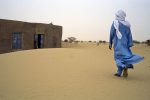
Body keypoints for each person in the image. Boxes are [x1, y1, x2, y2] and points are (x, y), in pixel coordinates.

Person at [109, 10, 144, 77]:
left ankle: (121, 70)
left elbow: (111, 33)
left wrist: (110, 43)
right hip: (125, 44)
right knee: (126, 57)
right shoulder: (127, 24)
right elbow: (129, 35)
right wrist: (130, 44)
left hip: (118, 44)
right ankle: (122, 70)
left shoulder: (115, 23)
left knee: (118, 58)